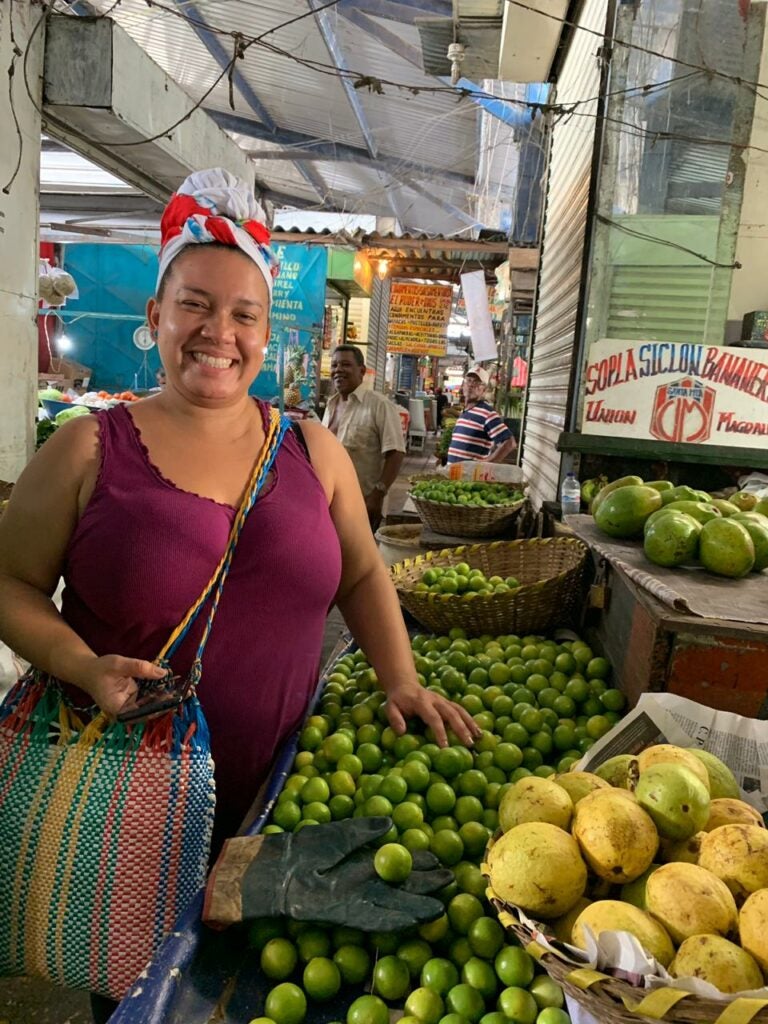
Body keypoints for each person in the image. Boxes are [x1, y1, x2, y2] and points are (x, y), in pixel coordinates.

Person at [0, 169, 478, 1021]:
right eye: (194, 305)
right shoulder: (87, 450)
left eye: (243, 314)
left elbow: (366, 572)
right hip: (125, 803)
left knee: (254, 994)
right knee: (139, 995)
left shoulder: (312, 450)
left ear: (265, 332)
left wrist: (400, 679)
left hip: (280, 806)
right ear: (155, 318)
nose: (217, 332)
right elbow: (9, 583)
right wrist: (80, 661)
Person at [322, 344, 406, 531]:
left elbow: (396, 453)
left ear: (361, 371)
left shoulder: (380, 405)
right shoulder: (331, 405)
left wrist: (377, 496)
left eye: (345, 365)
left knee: (355, 558)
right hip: (328, 502)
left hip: (362, 504)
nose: (338, 370)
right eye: (334, 365)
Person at [447, 365, 517, 464]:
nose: (471, 385)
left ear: (484, 390)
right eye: (469, 380)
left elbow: (510, 443)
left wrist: (486, 463)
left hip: (469, 477)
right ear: (463, 385)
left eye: (477, 382)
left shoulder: (487, 414)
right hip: (454, 475)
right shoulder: (465, 412)